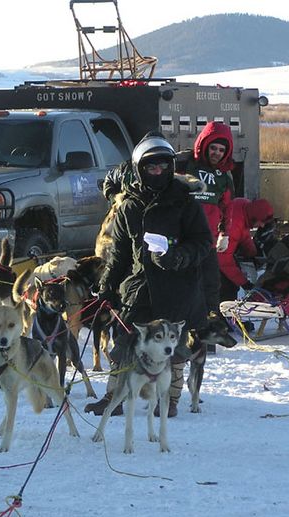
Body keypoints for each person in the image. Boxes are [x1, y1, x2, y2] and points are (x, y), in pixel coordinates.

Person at [86, 134, 212, 418]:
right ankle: (114, 398)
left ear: (171, 168)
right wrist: (107, 287)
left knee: (174, 350)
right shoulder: (128, 207)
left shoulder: (186, 203)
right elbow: (118, 253)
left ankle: (170, 400)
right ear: (140, 170)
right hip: (138, 288)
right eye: (151, 168)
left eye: (163, 167)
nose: (158, 173)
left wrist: (177, 256)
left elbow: (203, 242)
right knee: (124, 346)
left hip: (177, 288)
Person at [177, 121, 236, 313]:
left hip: (207, 240)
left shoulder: (224, 176)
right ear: (205, 145)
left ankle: (209, 323)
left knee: (211, 284)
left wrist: (224, 233)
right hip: (183, 238)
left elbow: (227, 206)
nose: (216, 153)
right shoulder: (185, 164)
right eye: (213, 148)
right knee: (184, 283)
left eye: (221, 150)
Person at [218, 198, 274, 302]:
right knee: (227, 286)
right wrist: (244, 283)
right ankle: (220, 313)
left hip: (218, 247)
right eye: (261, 222)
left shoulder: (243, 206)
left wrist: (252, 253)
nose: (262, 225)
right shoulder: (233, 227)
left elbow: (244, 233)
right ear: (254, 217)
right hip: (213, 253)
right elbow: (223, 260)